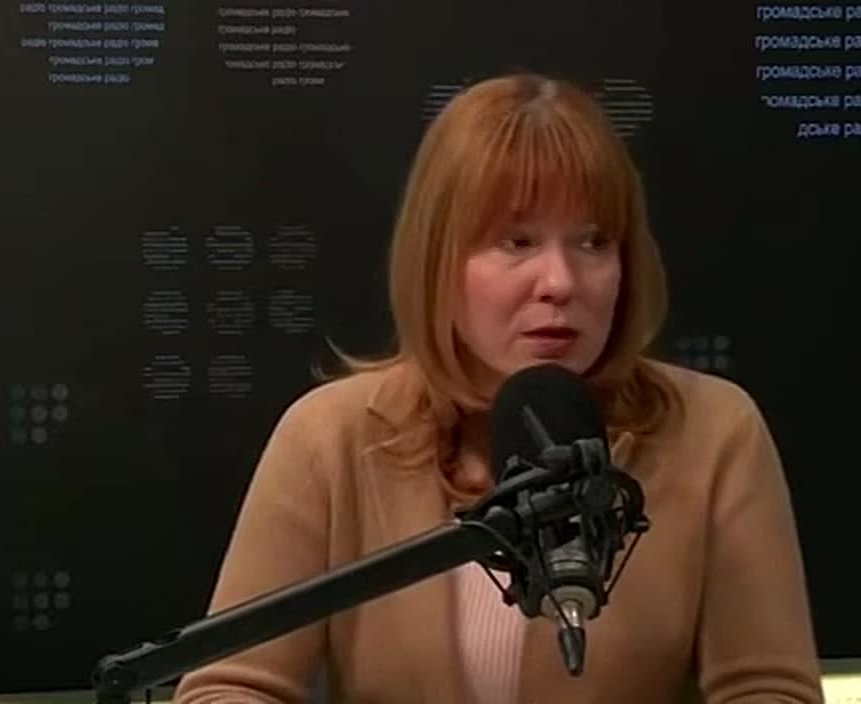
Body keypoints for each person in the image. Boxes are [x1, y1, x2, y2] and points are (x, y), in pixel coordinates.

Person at [174, 72, 824, 704]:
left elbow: (770, 689)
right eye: (518, 241)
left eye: (593, 241)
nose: (560, 282)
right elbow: (230, 685)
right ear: (440, 259)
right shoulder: (331, 436)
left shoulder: (714, 432)